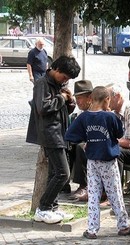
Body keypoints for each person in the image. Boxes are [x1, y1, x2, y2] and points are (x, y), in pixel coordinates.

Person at [64, 86, 130, 239]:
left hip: (92, 161)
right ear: (106, 100)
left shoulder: (84, 117)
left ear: (91, 99)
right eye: (109, 101)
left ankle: (92, 229)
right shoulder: (110, 117)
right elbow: (119, 133)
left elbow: (70, 134)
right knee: (115, 193)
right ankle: (123, 225)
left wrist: (87, 139)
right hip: (108, 161)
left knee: (93, 194)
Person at [26, 55, 81, 224]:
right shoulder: (42, 83)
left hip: (60, 132)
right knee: (63, 174)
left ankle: (52, 208)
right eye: (64, 77)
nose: (65, 80)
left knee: (54, 174)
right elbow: (43, 108)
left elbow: (64, 110)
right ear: (56, 69)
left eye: (68, 79)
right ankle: (43, 208)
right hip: (50, 134)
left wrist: (70, 101)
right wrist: (61, 98)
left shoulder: (58, 84)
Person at [66, 80, 94, 201]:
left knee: (80, 147)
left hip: (99, 144)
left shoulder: (97, 111)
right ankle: (63, 182)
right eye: (76, 98)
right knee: (67, 145)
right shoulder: (81, 113)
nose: (78, 101)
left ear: (90, 97)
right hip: (87, 142)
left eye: (80, 98)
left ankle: (84, 184)